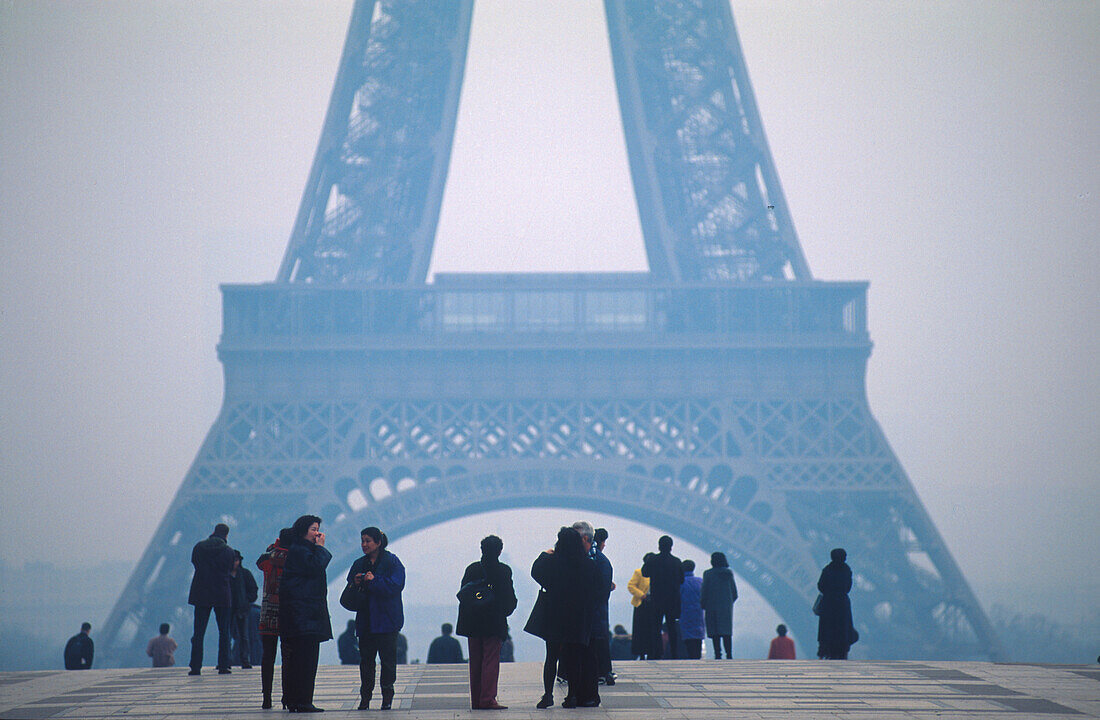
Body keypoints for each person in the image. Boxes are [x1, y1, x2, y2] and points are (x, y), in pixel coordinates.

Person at [532, 526, 601, 708]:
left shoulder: (552, 562)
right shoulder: (588, 565)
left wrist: (544, 554)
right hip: (577, 616)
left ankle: (547, 695)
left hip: (554, 614)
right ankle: (571, 696)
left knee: (551, 657)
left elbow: (536, 572)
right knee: (574, 658)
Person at [345, 526, 406, 710]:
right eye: (362, 540)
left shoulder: (392, 562)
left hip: (387, 621)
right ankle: (366, 697)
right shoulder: (359, 564)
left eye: (368, 541)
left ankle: (387, 696)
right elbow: (350, 587)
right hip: (367, 621)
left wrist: (374, 580)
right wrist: (355, 583)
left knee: (387, 662)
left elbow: (396, 586)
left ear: (378, 542)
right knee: (366, 662)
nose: (364, 544)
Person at [456, 534, 517, 710]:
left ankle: (476, 700)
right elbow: (509, 599)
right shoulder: (503, 571)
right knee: (490, 660)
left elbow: (463, 594)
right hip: (493, 622)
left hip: (472, 623)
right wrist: (504, 612)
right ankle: (488, 699)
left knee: (475, 661)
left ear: (482, 550)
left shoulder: (472, 569)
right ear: (499, 551)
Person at [280, 514, 332, 713]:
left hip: (302, 616)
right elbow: (315, 567)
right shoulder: (303, 551)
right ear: (303, 531)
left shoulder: (300, 550)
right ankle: (302, 701)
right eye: (313, 529)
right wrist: (320, 548)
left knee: (299, 661)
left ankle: (296, 700)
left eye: (317, 528)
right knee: (306, 661)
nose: (317, 532)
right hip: (304, 617)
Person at [188, 522, 236, 675]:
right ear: (226, 535)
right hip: (222, 593)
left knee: (199, 632)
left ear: (213, 532)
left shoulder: (199, 548)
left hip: (201, 592)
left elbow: (195, 563)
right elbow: (229, 570)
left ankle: (195, 666)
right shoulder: (229, 552)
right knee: (224, 632)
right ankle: (224, 665)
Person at [256, 527, 292, 709]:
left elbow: (260, 562)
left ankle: (267, 697)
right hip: (287, 612)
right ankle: (286, 696)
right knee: (288, 657)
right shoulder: (294, 559)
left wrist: (274, 546)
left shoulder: (269, 557)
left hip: (267, 612)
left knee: (267, 657)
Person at [642, 535, 684, 658]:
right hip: (672, 600)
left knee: (656, 628)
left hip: (657, 599)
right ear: (671, 547)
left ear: (659, 546)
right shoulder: (676, 562)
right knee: (672, 627)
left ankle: (656, 653)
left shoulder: (654, 560)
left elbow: (645, 573)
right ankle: (674, 653)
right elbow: (681, 580)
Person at [817, 547, 857, 659]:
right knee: (843, 627)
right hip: (841, 603)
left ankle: (825, 648)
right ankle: (843, 648)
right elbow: (848, 587)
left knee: (826, 627)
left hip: (829, 603)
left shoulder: (827, 569)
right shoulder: (846, 570)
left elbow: (821, 586)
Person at [700, 551, 738, 660]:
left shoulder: (708, 574)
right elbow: (734, 593)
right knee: (726, 632)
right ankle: (729, 654)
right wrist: (728, 603)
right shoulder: (728, 574)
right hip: (726, 608)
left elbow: (704, 590)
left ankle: (718, 653)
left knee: (715, 632)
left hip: (711, 606)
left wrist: (704, 603)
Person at [590, 527, 616, 685]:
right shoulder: (602, 561)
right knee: (600, 638)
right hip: (598, 612)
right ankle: (603, 671)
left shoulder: (588, 559)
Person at [229, 550, 258, 668]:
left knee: (243, 636)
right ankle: (226, 660)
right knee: (227, 635)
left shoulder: (245, 574)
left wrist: (246, 601)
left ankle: (245, 659)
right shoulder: (225, 575)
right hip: (228, 609)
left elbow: (253, 590)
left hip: (242, 609)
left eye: (236, 560)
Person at [627, 554, 654, 659]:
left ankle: (651, 651)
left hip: (653, 604)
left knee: (651, 629)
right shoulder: (639, 572)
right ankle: (641, 652)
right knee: (641, 630)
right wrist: (641, 595)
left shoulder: (657, 573)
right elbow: (631, 586)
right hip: (642, 604)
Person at [679, 559, 705, 658]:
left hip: (685, 612)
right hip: (698, 612)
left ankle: (690, 656)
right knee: (697, 636)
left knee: (688, 637)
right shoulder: (700, 581)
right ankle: (697, 656)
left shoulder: (680, 582)